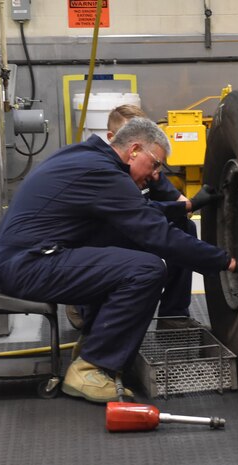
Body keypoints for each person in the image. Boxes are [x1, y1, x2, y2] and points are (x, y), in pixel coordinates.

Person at [0, 117, 238, 403]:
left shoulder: (89, 158)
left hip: (26, 258)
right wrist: (227, 263)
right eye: (156, 164)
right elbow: (157, 235)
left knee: (121, 243)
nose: (156, 175)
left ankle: (93, 343)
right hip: (29, 265)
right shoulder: (104, 174)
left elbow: (141, 210)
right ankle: (91, 367)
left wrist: (186, 206)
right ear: (134, 150)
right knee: (145, 270)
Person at [65, 104, 204, 331]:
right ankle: (80, 305)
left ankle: (174, 315)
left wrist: (197, 201)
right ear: (113, 138)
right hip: (104, 241)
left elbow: (182, 207)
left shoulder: (150, 171)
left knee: (184, 227)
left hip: (136, 233)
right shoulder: (103, 171)